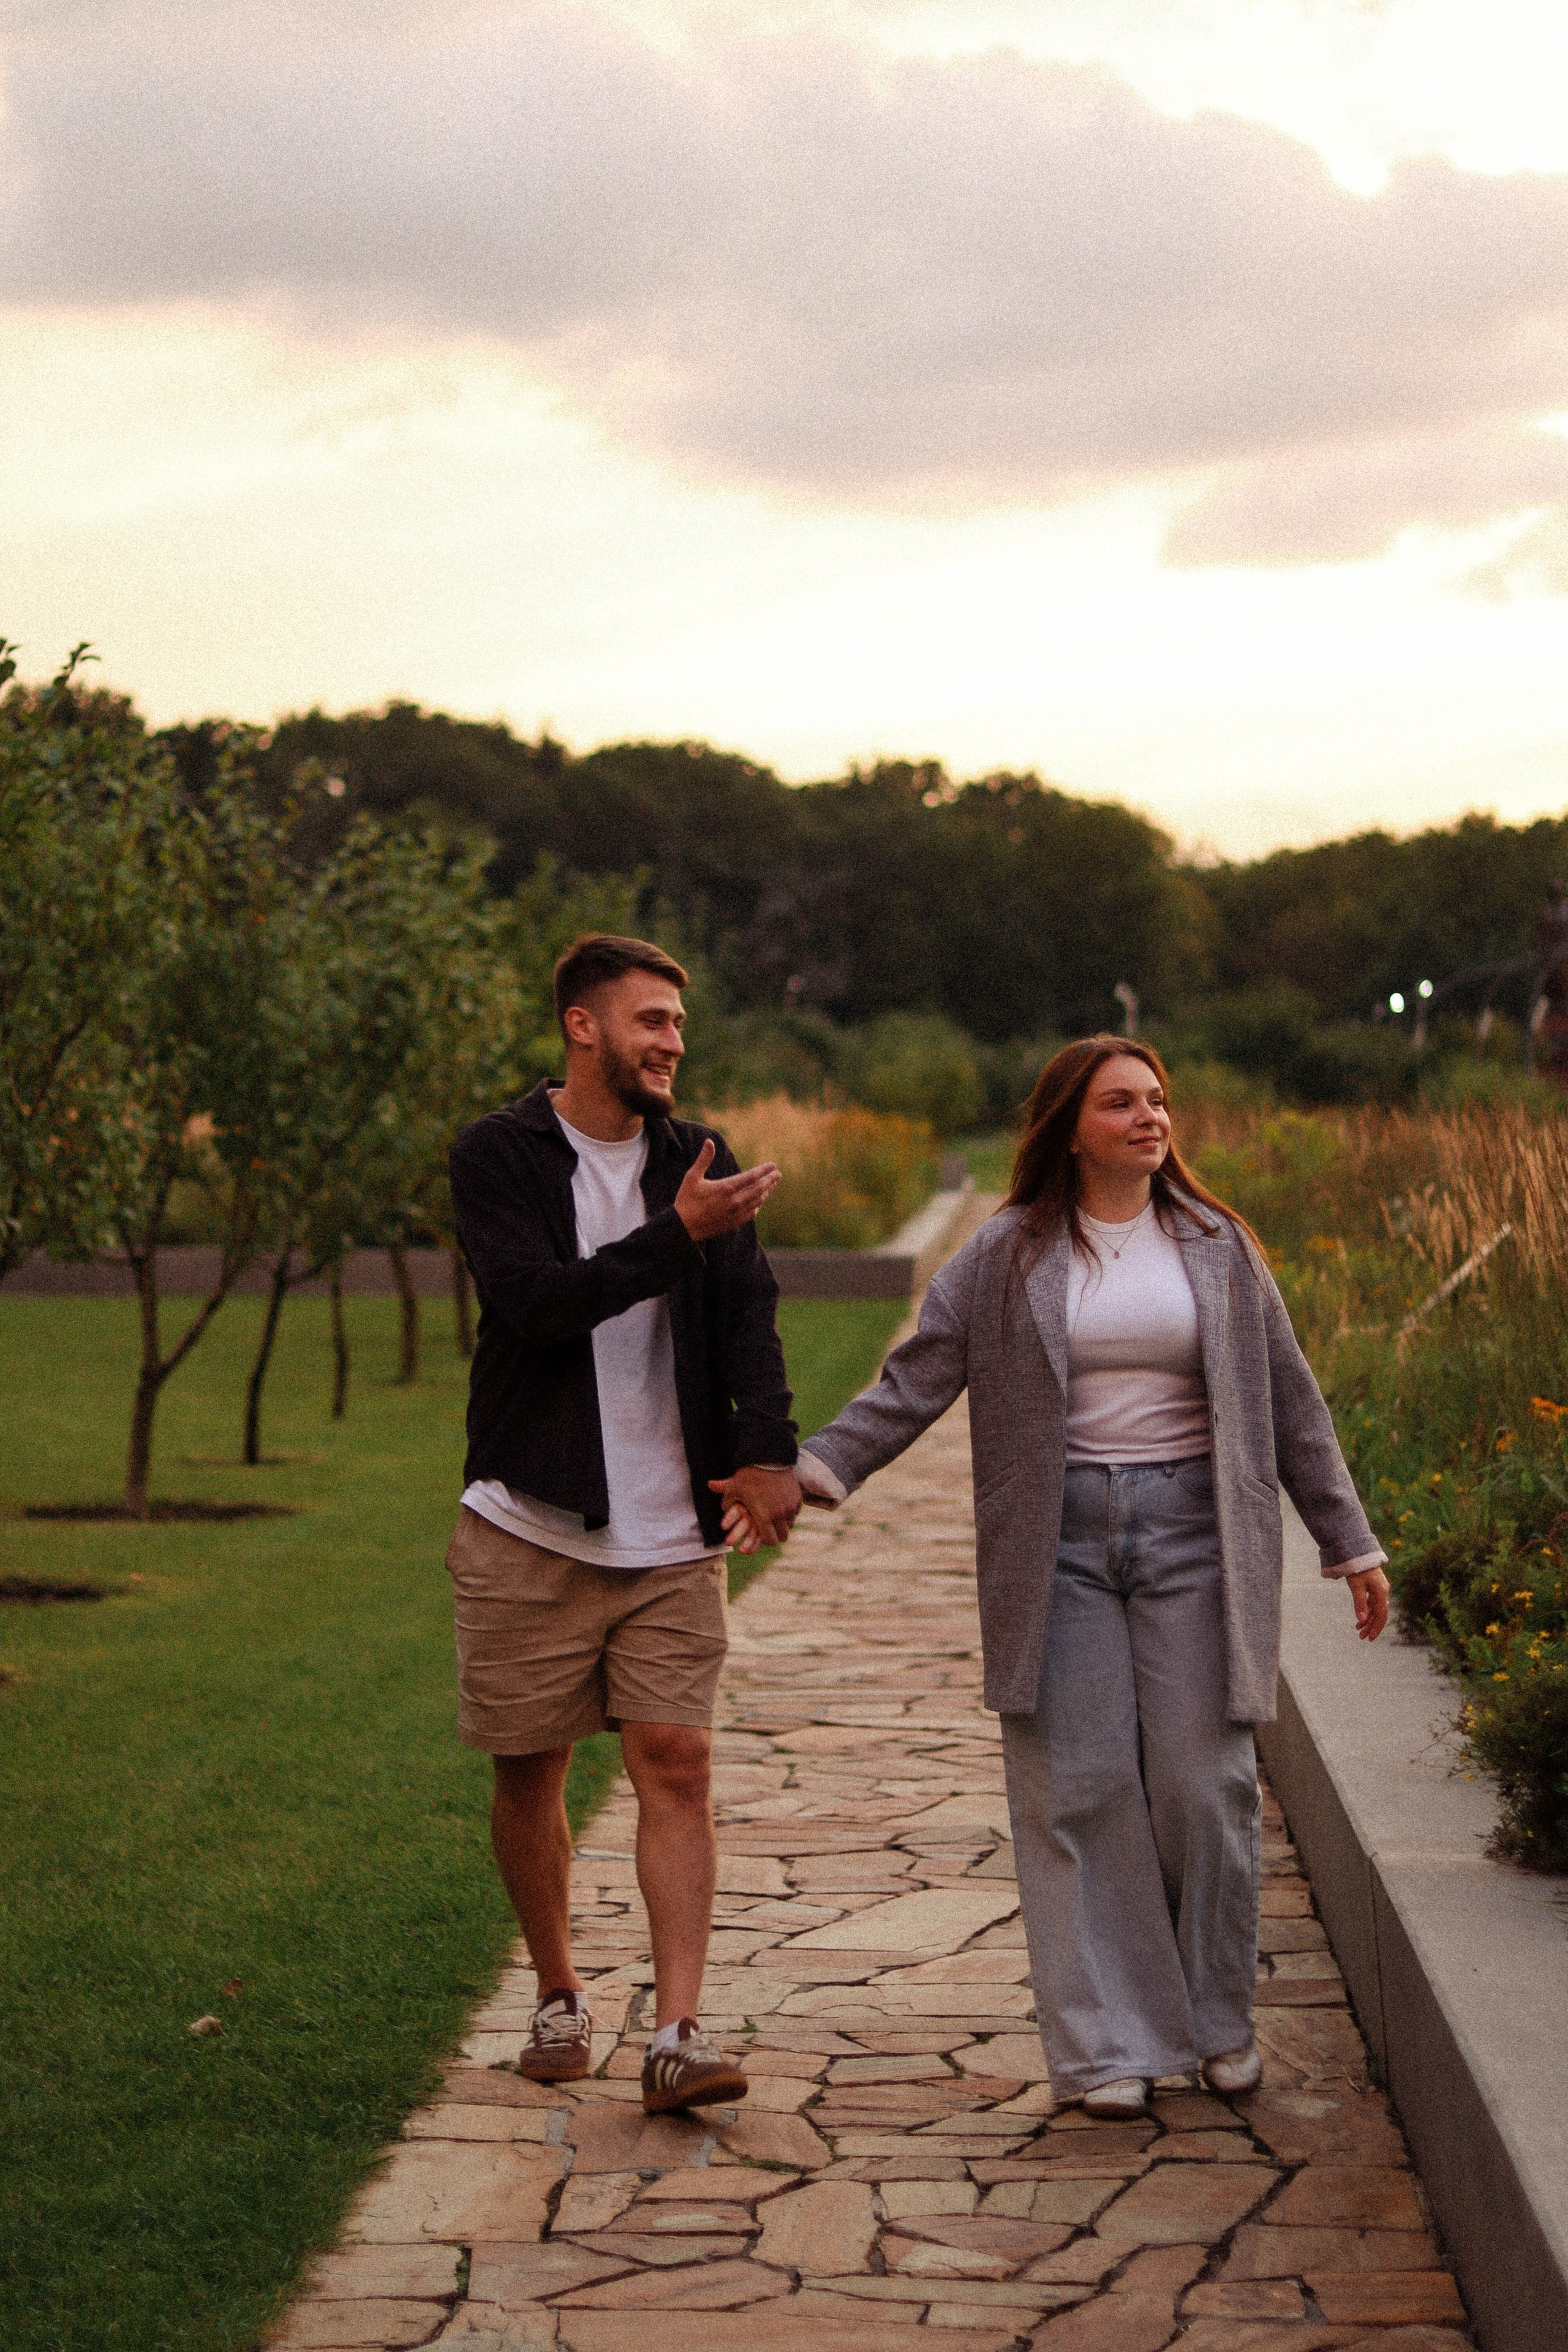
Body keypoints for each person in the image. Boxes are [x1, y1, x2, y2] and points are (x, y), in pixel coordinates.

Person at [718, 1037, 1388, 2119]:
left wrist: (1348, 1541)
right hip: (1057, 1545)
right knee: (1078, 1789)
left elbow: (1290, 1399)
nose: (1149, 1117)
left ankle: (1217, 2023)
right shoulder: (1007, 1252)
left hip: (1196, 1537)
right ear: (1070, 1127)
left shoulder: (1217, 1245)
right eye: (1121, 1103)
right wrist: (816, 1470)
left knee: (1205, 1787)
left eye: (1157, 1100)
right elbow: (917, 1376)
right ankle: (1107, 2047)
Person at [447, 934, 803, 2114]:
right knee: (529, 1767)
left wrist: (768, 1453)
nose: (672, 1043)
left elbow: (748, 1310)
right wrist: (674, 1237)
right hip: (530, 1522)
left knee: (678, 1763)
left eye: (679, 1025)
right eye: (652, 1021)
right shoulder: (499, 1153)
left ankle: (678, 2033)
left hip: (670, 1529)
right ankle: (559, 1991)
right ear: (583, 1025)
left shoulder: (697, 1159)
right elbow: (537, 1306)